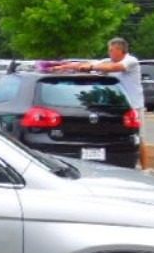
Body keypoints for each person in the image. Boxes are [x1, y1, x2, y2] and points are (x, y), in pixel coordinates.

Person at [53, 37, 147, 166]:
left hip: (133, 106)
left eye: (111, 50)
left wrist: (92, 67)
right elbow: (84, 64)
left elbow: (116, 67)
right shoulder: (108, 61)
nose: (109, 53)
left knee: (138, 137)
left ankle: (145, 168)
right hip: (116, 106)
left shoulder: (131, 61)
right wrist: (64, 66)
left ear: (120, 50)